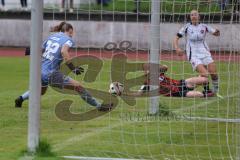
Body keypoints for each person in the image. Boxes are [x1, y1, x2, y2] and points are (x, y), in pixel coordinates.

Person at [15, 21, 112, 111]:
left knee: (41, 91)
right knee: (78, 87)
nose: (72, 35)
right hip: (51, 73)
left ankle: (20, 99)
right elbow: (63, 51)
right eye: (72, 33)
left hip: (40, 70)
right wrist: (72, 68)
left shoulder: (51, 37)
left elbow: (40, 50)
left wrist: (30, 51)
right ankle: (99, 106)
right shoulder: (68, 39)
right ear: (69, 31)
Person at [173, 10, 221, 97]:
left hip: (205, 52)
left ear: (199, 17)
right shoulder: (186, 27)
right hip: (193, 54)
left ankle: (216, 91)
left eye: (195, 15)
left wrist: (217, 32)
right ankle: (207, 91)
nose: (193, 16)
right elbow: (176, 37)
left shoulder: (204, 26)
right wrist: (177, 48)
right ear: (190, 17)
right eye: (191, 15)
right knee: (205, 74)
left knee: (214, 73)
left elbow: (216, 33)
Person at [125, 64, 215, 98]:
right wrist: (124, 93)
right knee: (196, 94)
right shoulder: (147, 84)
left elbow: (165, 67)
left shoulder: (158, 73)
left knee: (205, 79)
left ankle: (207, 90)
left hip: (180, 83)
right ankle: (205, 95)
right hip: (175, 92)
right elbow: (138, 94)